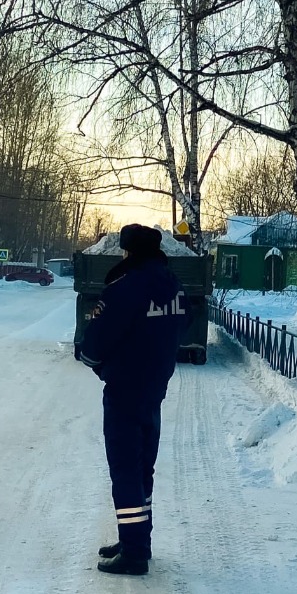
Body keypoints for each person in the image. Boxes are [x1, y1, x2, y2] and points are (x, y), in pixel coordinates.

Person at [80, 224, 187, 575]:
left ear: (129, 252)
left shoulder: (124, 289)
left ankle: (135, 552)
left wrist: (92, 359)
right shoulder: (172, 286)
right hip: (154, 388)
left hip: (125, 388)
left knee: (125, 469)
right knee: (142, 468)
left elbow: (95, 342)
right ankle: (137, 538)